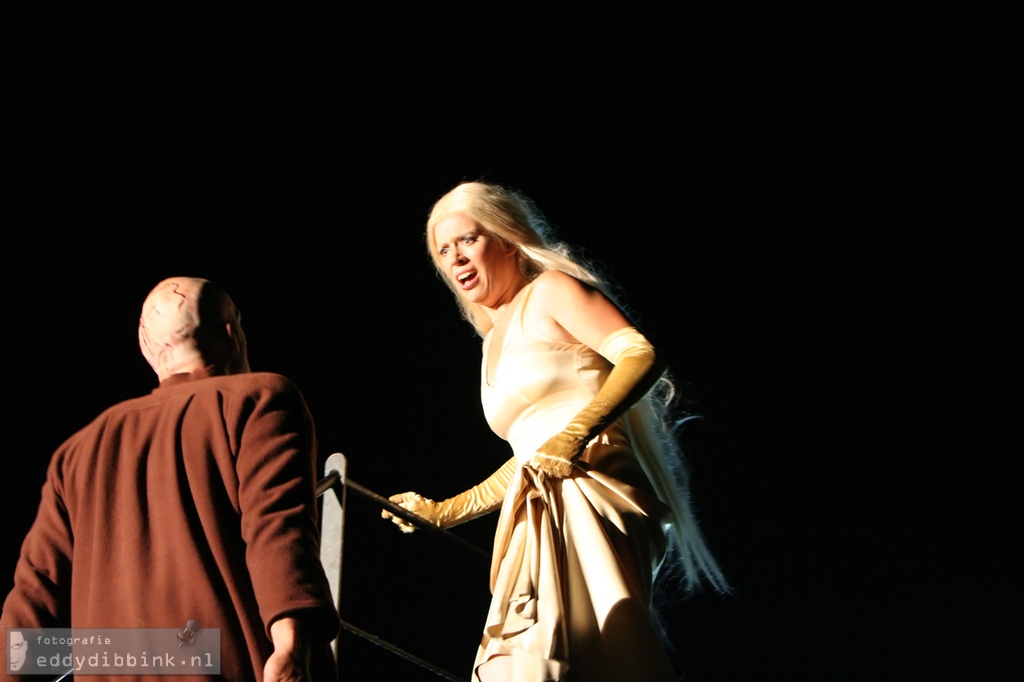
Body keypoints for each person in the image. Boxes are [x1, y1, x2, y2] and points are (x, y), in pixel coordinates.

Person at [382, 181, 730, 681]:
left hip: (591, 488)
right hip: (535, 506)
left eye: (467, 240)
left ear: (505, 239)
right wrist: (445, 511)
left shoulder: (549, 291)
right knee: (515, 666)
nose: (455, 257)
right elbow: (531, 453)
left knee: (593, 655)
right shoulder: (489, 346)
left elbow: (639, 353)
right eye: (443, 250)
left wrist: (578, 432)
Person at [0, 277, 339, 682]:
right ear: (232, 332)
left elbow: (33, 596)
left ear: (149, 351)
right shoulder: (259, 398)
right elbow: (278, 530)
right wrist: (290, 647)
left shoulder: (77, 451)